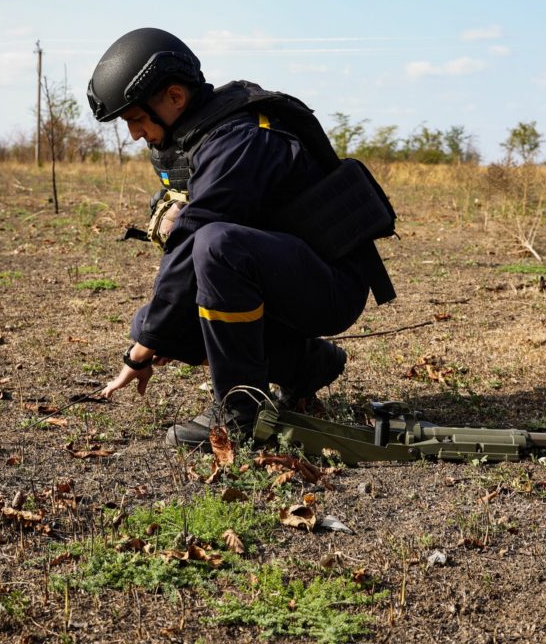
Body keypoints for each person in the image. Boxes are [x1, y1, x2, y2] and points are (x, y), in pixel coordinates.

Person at [87, 27, 395, 447]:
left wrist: (141, 351)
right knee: (155, 321)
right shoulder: (197, 134)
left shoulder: (241, 139)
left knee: (214, 251)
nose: (135, 134)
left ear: (175, 97)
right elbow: (177, 201)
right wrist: (162, 215)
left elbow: (196, 239)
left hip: (331, 285)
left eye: (137, 119)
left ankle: (241, 413)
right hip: (285, 275)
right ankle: (305, 366)